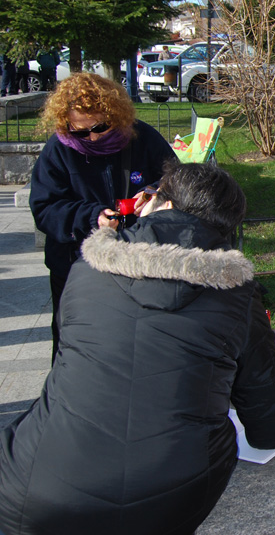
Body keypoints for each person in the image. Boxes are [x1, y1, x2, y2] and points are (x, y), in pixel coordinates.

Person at [0, 161, 275, 535]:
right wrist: (267, 436)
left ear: (165, 204)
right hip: (170, 497)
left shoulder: (85, 270)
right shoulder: (236, 294)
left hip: (35, 491)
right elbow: (262, 394)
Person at [29, 72, 176, 361]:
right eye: (81, 132)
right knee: (75, 341)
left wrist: (153, 193)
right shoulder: (57, 150)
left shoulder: (142, 137)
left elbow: (174, 178)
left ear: (115, 115)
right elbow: (45, 208)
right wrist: (91, 217)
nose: (93, 137)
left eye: (100, 127)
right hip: (76, 264)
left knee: (133, 341)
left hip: (137, 259)